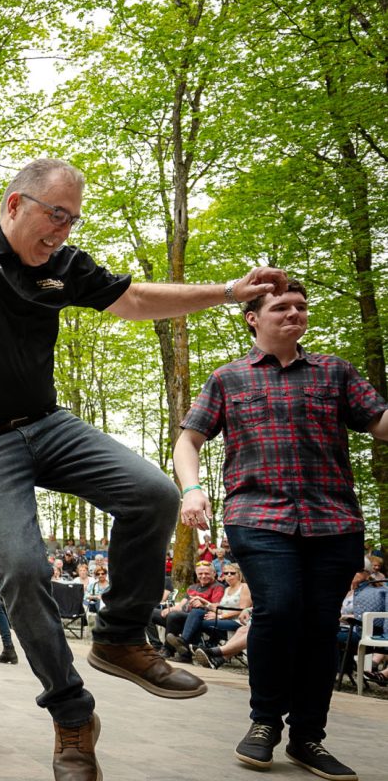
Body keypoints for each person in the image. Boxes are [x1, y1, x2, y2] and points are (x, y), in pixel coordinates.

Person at [0, 108, 289, 779]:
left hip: (47, 425)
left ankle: (118, 639)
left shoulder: (67, 266)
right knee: (23, 570)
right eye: (53, 215)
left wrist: (229, 292)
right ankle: (71, 715)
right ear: (14, 204)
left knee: (150, 492)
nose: (61, 232)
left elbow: (137, 300)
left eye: (71, 220)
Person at [174, 278, 388, 778]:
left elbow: (379, 422)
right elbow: (189, 441)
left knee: (319, 626)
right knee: (279, 607)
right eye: (281, 307)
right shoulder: (229, 379)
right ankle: (264, 722)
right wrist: (191, 488)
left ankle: (308, 738)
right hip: (258, 517)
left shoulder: (335, 372)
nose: (294, 314)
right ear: (254, 317)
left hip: (334, 520)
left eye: (300, 307)